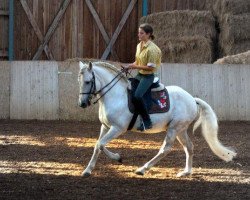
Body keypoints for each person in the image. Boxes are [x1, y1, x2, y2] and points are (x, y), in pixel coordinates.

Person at [126, 23, 162, 131]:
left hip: (148, 76)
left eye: (141, 33)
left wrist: (135, 66)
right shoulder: (139, 45)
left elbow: (150, 68)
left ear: (148, 34)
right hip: (140, 74)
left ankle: (147, 121)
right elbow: (138, 61)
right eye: (138, 33)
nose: (139, 35)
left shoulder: (153, 50)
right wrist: (130, 66)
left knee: (137, 96)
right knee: (132, 94)